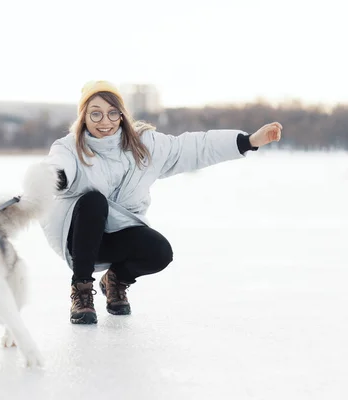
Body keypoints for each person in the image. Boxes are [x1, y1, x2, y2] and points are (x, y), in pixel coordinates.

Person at [39, 80, 282, 325]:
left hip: (117, 235)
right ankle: (81, 291)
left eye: (113, 112)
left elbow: (193, 147)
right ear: (84, 117)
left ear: (122, 115)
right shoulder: (70, 148)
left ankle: (115, 281)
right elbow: (59, 166)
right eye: (96, 113)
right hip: (79, 237)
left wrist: (248, 141)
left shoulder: (145, 145)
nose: (105, 121)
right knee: (93, 201)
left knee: (159, 252)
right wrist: (55, 178)